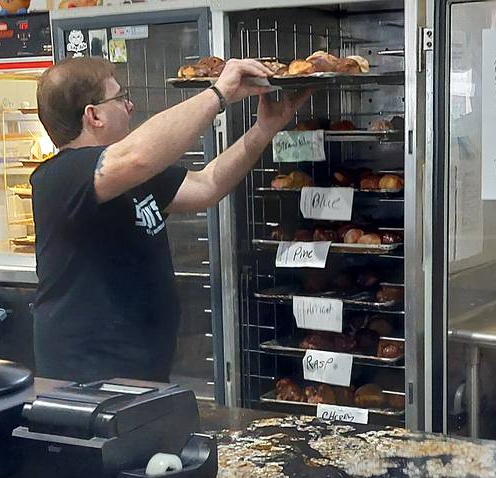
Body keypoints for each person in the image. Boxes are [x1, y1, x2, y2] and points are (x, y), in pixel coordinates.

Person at [31, 57, 307, 382]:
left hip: (139, 368)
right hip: (87, 376)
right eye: (120, 98)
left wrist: (264, 130)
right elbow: (139, 156)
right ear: (94, 115)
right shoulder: (62, 176)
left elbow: (207, 185)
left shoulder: (129, 177)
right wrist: (219, 93)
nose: (130, 105)